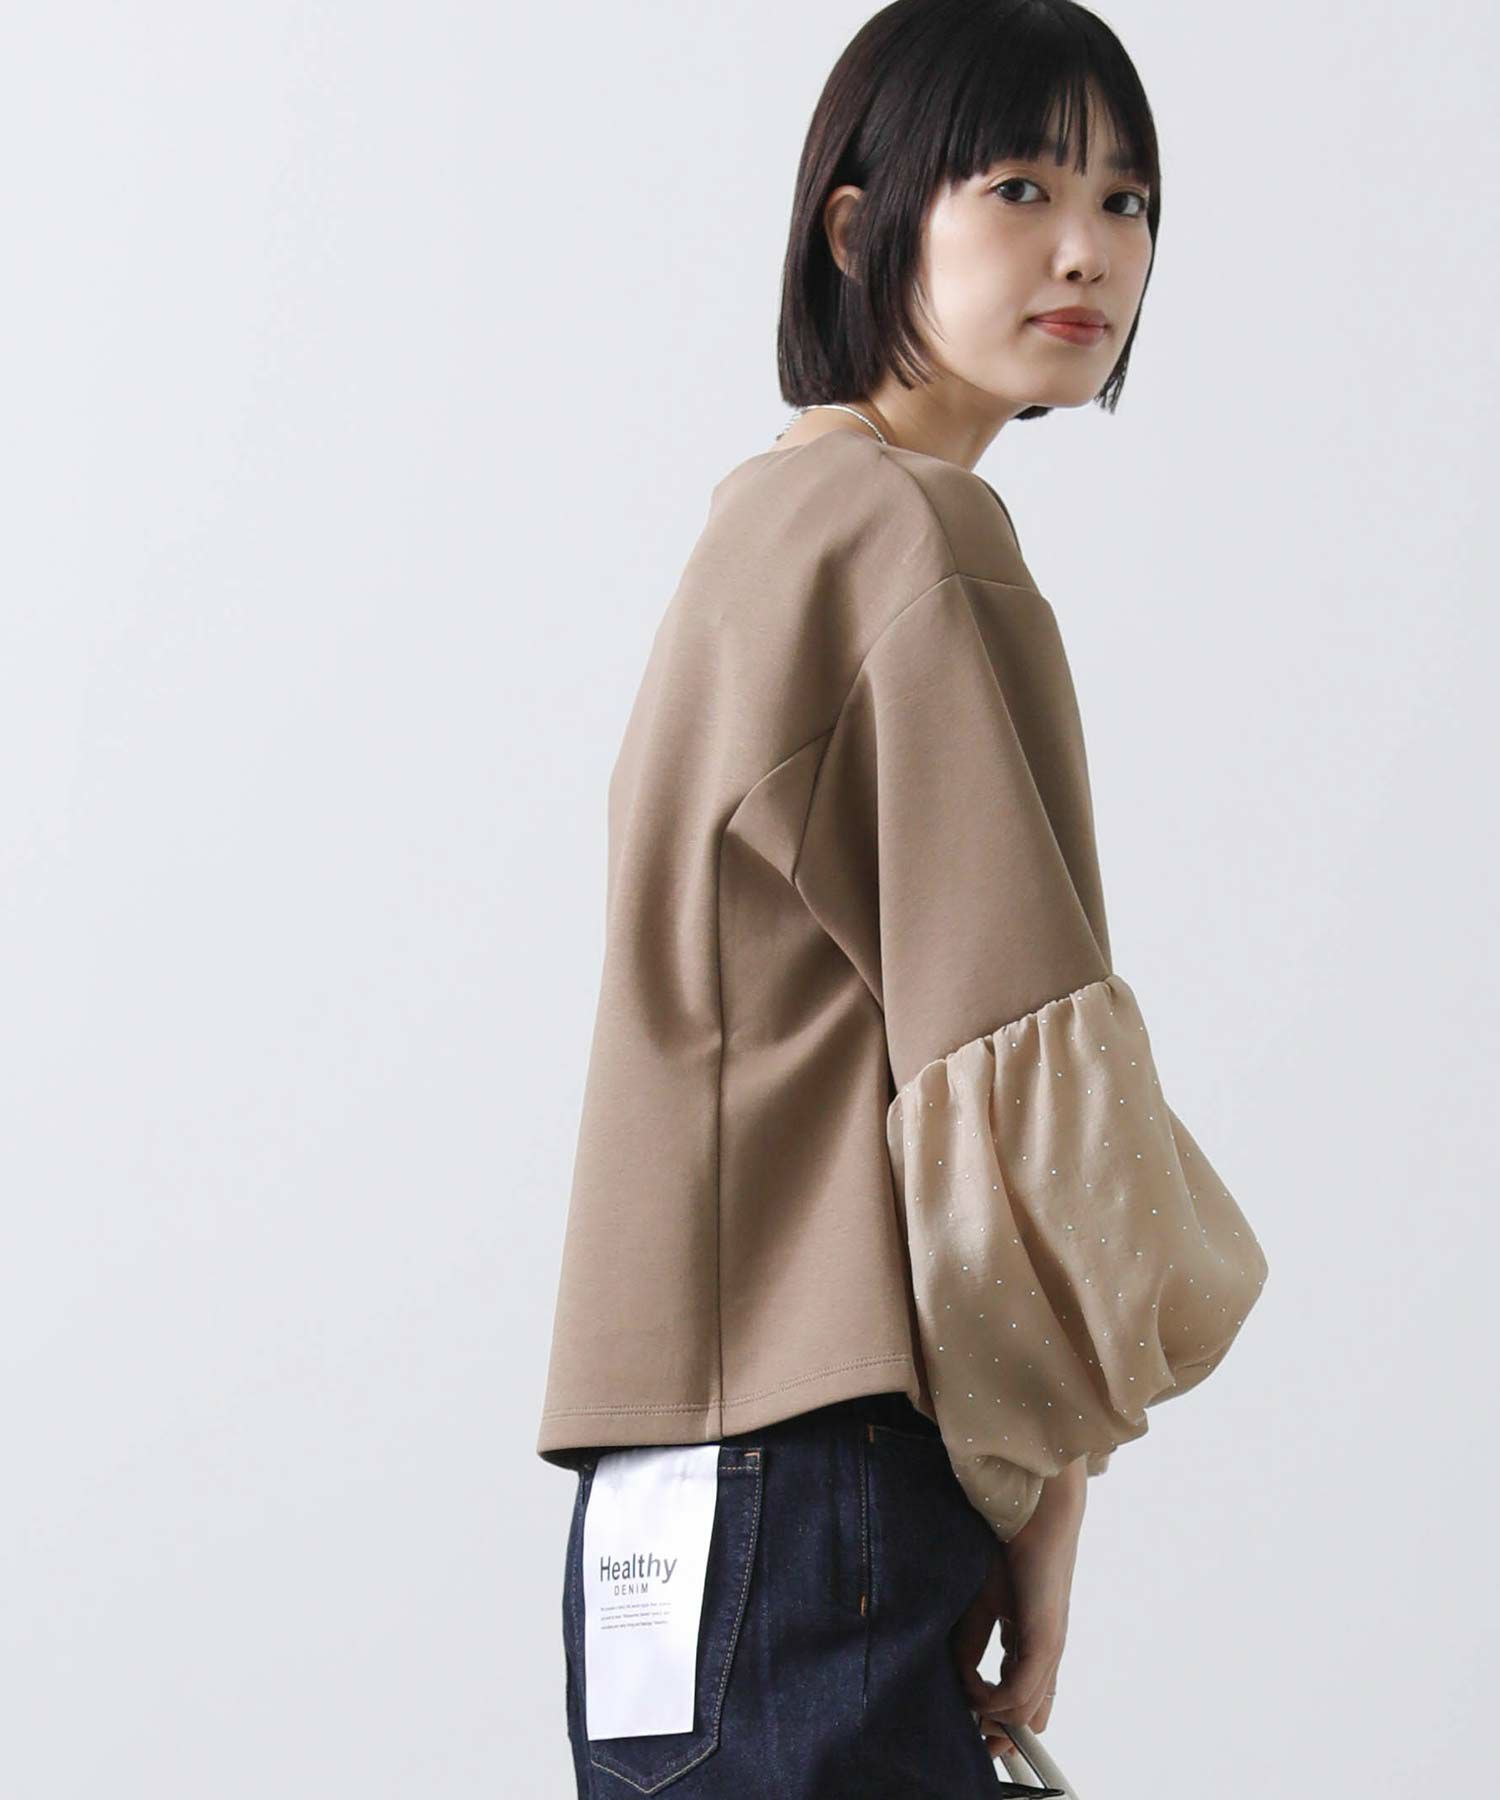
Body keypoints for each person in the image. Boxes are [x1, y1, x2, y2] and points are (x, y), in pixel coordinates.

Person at [536, 1, 1271, 1792]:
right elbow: (1017, 1088)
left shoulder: (760, 526)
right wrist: (1049, 1487)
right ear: (862, 229)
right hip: (837, 1481)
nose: (1089, 249)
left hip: (657, 1505)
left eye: (1126, 198)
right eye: (1020, 187)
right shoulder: (917, 541)